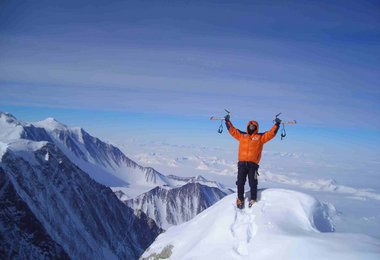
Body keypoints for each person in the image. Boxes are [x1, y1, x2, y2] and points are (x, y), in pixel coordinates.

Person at [225, 115, 281, 209]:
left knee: (253, 182)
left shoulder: (260, 137)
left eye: (253, 126)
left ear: (256, 127)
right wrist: (227, 121)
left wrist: (277, 124)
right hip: (242, 164)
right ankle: (240, 198)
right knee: (240, 182)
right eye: (250, 126)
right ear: (247, 127)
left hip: (253, 165)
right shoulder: (242, 135)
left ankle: (253, 198)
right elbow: (232, 131)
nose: (251, 127)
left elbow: (271, 134)